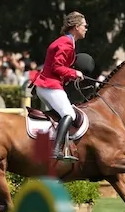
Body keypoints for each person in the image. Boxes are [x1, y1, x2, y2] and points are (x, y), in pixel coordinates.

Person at [31, 11, 88, 161]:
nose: (86, 29)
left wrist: (69, 76)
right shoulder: (66, 43)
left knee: (60, 116)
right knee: (69, 114)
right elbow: (57, 67)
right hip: (49, 85)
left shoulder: (66, 41)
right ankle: (56, 150)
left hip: (46, 85)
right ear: (76, 27)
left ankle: (53, 146)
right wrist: (74, 73)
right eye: (84, 26)